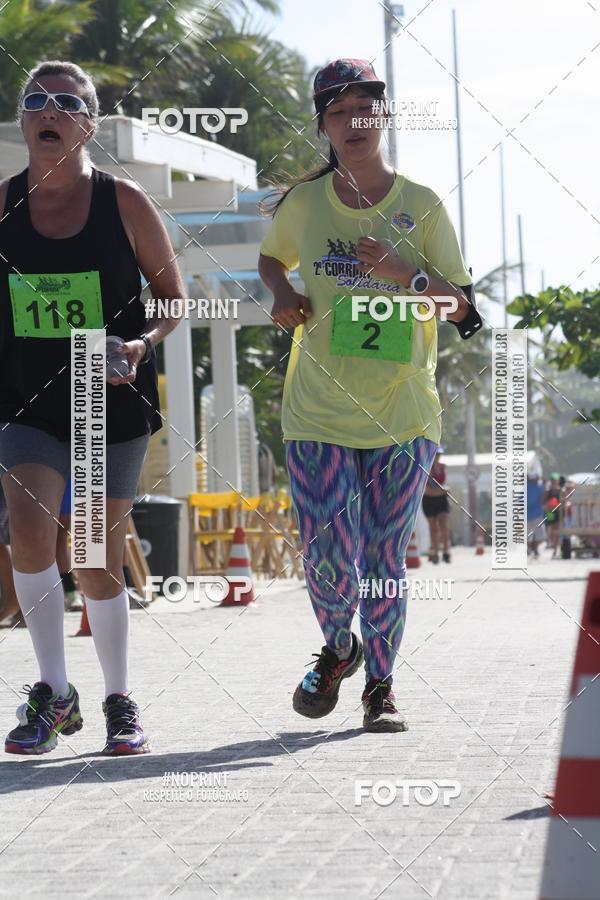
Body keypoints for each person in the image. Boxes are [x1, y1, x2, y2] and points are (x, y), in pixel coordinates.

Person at [258, 59, 481, 732]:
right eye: (338, 111)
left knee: (383, 560)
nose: (353, 122)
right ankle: (340, 648)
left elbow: (465, 312)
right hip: (316, 410)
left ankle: (380, 688)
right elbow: (271, 256)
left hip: (402, 415)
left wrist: (406, 273)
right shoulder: (304, 204)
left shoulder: (423, 204)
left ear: (384, 116)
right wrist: (282, 291)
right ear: (323, 125)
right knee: (327, 552)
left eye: (366, 109)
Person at [0, 60, 184, 755]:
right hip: (26, 403)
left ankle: (118, 699)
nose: (49, 110)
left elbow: (172, 300)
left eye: (67, 102)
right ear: (23, 120)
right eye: (35, 100)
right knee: (28, 530)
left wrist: (141, 343)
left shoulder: (124, 202)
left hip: (105, 398)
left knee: (95, 554)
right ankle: (53, 691)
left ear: (90, 124)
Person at [422, 447, 451, 563]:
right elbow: (427, 490)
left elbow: (446, 485)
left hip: (442, 500)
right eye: (436, 454)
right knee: (433, 527)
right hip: (429, 501)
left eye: (439, 454)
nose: (437, 456)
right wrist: (442, 491)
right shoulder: (426, 468)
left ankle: (446, 551)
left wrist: (444, 490)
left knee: (443, 524)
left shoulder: (443, 467)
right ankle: (435, 551)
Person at [526, 472, 545, 558]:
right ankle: (535, 549)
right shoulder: (539, 488)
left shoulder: (525, 488)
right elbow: (543, 498)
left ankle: (529, 548)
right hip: (537, 514)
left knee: (528, 534)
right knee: (537, 534)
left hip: (528, 515)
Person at [543, 473, 562, 558]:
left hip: (557, 512)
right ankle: (552, 544)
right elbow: (543, 503)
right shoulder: (548, 492)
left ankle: (555, 550)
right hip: (550, 512)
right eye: (552, 480)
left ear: (558, 481)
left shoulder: (561, 491)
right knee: (550, 531)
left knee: (556, 531)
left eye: (555, 480)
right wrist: (548, 505)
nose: (554, 482)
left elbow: (564, 501)